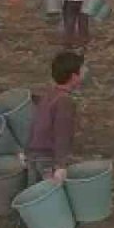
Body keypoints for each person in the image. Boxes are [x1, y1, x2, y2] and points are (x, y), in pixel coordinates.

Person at [27, 51, 85, 187]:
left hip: (34, 155)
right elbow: (62, 134)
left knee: (37, 197)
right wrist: (61, 165)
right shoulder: (64, 101)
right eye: (82, 70)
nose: (84, 73)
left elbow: (35, 124)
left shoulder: (49, 95)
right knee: (51, 199)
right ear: (73, 76)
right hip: (48, 159)